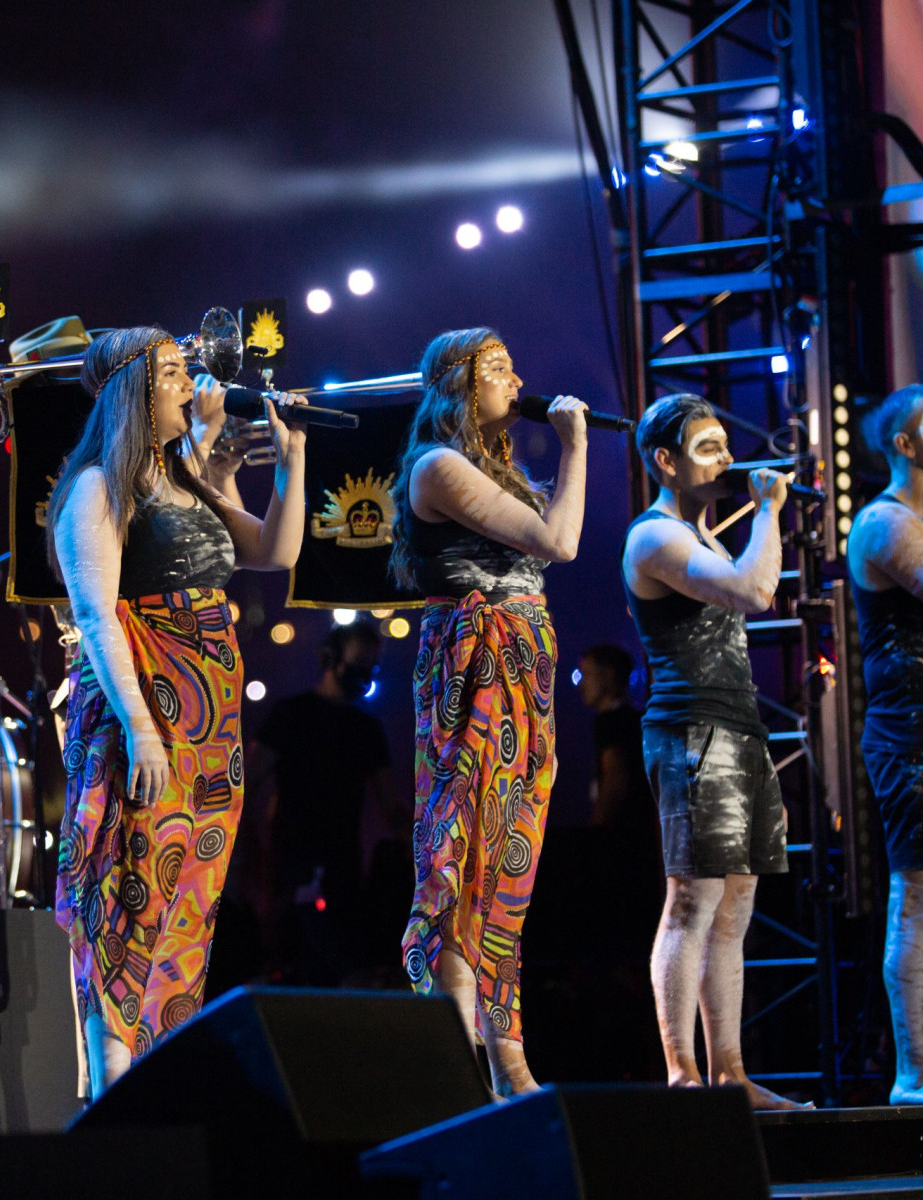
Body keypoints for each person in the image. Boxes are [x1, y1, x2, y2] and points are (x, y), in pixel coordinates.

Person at [47, 327, 307, 1098]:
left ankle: (152, 1081)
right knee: (132, 886)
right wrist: (139, 730)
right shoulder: (100, 484)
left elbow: (274, 552)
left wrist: (290, 468)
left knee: (186, 902)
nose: (188, 381)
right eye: (170, 372)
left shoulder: (185, 478)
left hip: (210, 728)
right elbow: (96, 618)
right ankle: (113, 1085)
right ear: (133, 388)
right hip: (149, 718)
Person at [390, 329, 586, 1096]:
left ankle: (506, 1055)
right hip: (472, 672)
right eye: (496, 368)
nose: (517, 378)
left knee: (505, 867)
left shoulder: (500, 469)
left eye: (512, 362)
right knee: (459, 860)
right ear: (456, 385)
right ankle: (469, 1063)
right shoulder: (437, 466)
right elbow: (560, 544)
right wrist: (574, 447)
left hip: (524, 676)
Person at [621, 392, 806, 1109]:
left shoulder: (707, 536)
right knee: (692, 901)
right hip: (691, 730)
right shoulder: (653, 538)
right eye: (707, 448)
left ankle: (729, 1073)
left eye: (727, 444)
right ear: (665, 461)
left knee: (735, 906)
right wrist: (768, 511)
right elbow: (756, 593)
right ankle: (683, 1076)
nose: (726, 459)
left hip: (740, 727)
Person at [847, 383, 923, 1105]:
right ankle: (912, 1073)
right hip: (911, 737)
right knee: (917, 903)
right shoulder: (886, 526)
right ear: (904, 445)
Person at [246, 619, 400, 986]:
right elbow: (247, 784)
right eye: (358, 666)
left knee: (338, 965)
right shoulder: (290, 715)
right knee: (288, 961)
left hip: (343, 865)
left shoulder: (367, 730)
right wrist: (247, 850)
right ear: (331, 659)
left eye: (370, 669)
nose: (364, 676)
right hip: (288, 861)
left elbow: (389, 804)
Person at [578, 644, 655, 840]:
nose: (582, 684)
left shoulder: (610, 721)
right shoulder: (638, 719)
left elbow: (615, 778)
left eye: (587, 674)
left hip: (621, 835)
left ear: (608, 676)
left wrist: (596, 829)